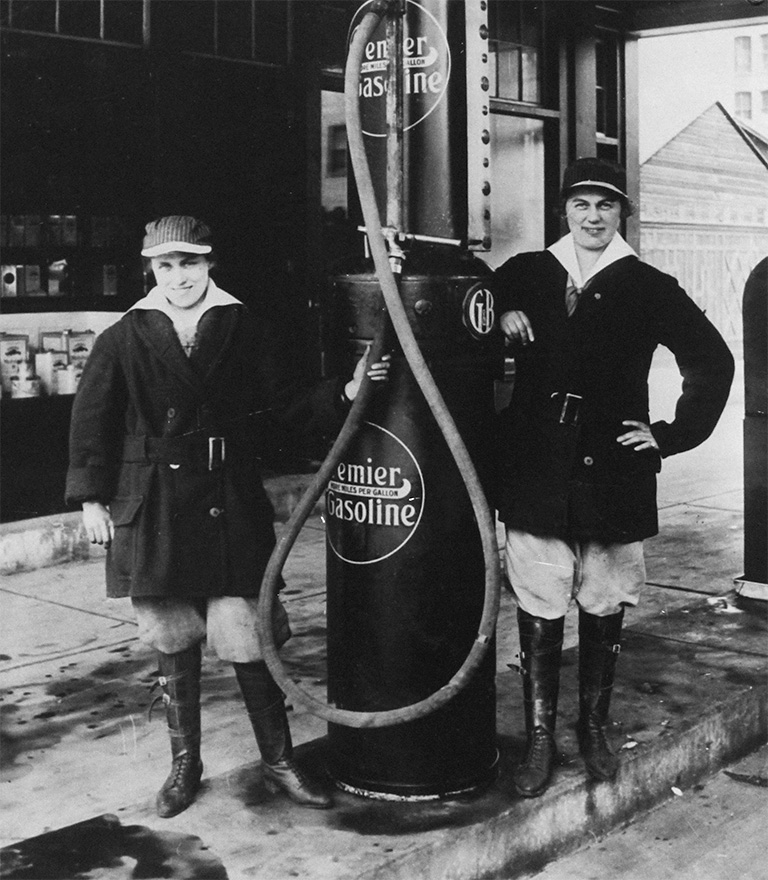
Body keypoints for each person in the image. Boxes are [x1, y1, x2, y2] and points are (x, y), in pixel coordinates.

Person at [65, 215, 389, 818]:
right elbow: (93, 421)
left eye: (190, 263)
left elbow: (286, 405)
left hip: (226, 497)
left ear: (210, 263)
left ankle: (279, 760)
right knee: (172, 635)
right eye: (166, 266)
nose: (179, 277)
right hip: (152, 499)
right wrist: (90, 498)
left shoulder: (245, 327)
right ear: (151, 271)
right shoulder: (123, 336)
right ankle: (185, 764)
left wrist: (344, 393)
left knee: (246, 631)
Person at [493, 159, 734, 798]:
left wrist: (671, 432)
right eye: (581, 205)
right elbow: (469, 304)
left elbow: (712, 358)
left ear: (621, 213)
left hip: (613, 468)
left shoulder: (648, 284)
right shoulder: (527, 273)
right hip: (537, 466)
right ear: (564, 212)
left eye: (605, 205)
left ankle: (591, 727)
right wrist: (502, 314)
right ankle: (540, 736)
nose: (593, 216)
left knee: (603, 596)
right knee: (540, 598)